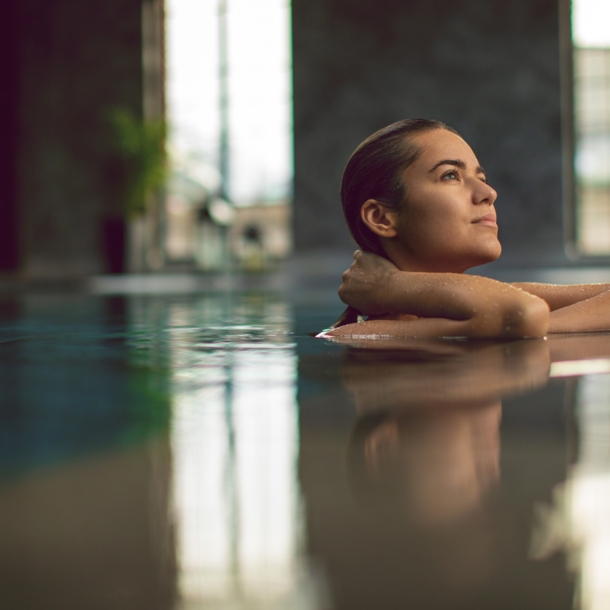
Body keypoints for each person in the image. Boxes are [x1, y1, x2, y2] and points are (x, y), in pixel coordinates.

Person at [322, 119, 610, 340]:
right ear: (381, 218)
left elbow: (520, 313)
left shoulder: (499, 302)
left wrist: (390, 286)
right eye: (450, 175)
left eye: (480, 176)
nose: (488, 192)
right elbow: (522, 313)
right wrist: (389, 288)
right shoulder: (359, 338)